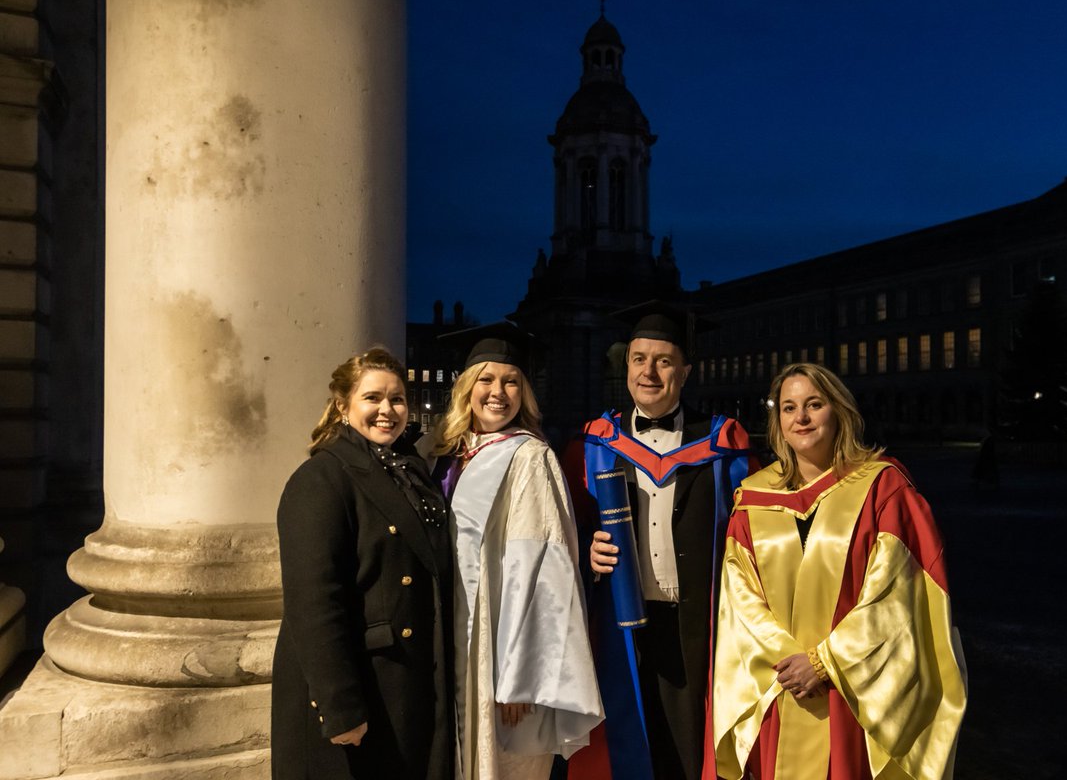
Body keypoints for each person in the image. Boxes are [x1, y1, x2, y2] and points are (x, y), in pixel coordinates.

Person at [712, 363, 967, 780]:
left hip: (853, 689)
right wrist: (788, 662)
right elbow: (740, 598)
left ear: (839, 411)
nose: (802, 418)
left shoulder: (881, 488)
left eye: (815, 404)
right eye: (789, 407)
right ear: (778, 421)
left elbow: (896, 595)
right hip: (782, 685)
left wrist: (824, 662)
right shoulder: (754, 497)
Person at [567, 301, 756, 780]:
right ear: (625, 366)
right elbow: (565, 531)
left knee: (690, 749)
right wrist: (587, 549)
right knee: (625, 746)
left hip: (697, 627)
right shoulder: (593, 444)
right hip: (619, 627)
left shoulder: (723, 445)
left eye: (663, 361)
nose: (648, 372)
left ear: (685, 372)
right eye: (638, 359)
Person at [422, 322, 603, 780]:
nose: (498, 392)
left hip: (498, 660)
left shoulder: (529, 458)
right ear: (466, 387)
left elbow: (543, 572)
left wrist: (520, 676)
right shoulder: (442, 456)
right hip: (448, 645)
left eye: (511, 382)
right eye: (486, 379)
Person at [272, 348, 455, 780]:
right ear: (343, 405)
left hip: (403, 682)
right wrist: (340, 707)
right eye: (373, 398)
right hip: (360, 689)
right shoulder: (321, 478)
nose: (387, 411)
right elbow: (314, 603)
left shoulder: (410, 470)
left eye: (397, 399)